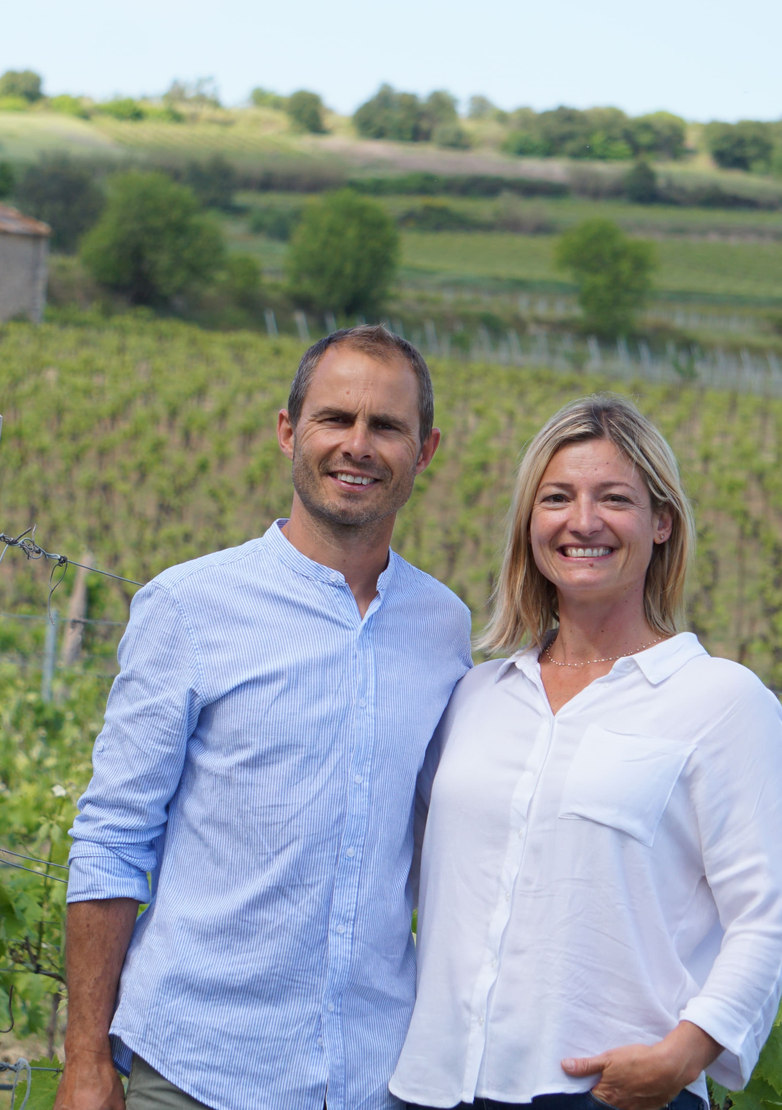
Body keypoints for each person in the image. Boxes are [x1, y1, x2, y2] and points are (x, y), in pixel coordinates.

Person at [58, 326, 474, 1110]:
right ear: (289, 431)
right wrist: (86, 1060)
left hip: (375, 1079)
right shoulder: (189, 607)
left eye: (386, 426)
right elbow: (113, 837)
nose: (358, 445)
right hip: (197, 1071)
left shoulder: (444, 629)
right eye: (334, 419)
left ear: (425, 452)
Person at [389, 394, 782, 1110]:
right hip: (435, 1086)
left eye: (615, 499)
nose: (583, 522)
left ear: (661, 522)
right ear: (530, 523)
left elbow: (764, 915)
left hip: (608, 1093)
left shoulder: (721, 702)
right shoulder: (475, 697)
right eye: (557, 498)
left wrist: (681, 1056)